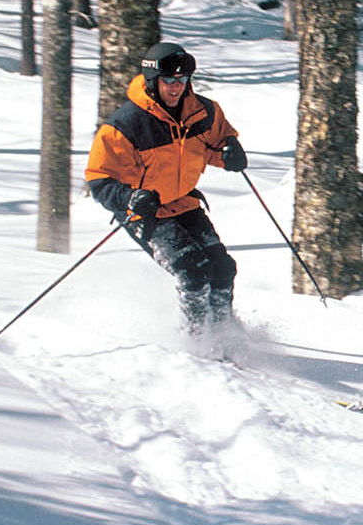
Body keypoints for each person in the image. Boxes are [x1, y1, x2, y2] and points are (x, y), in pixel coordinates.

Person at [85, 41, 248, 332]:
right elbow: (99, 180)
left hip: (183, 202)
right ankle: (195, 341)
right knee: (193, 272)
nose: (175, 87)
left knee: (223, 269)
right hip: (144, 212)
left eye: (182, 80)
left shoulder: (203, 112)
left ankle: (224, 334)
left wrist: (230, 153)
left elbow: (214, 143)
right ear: (152, 80)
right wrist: (131, 198)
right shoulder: (126, 125)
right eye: (168, 80)